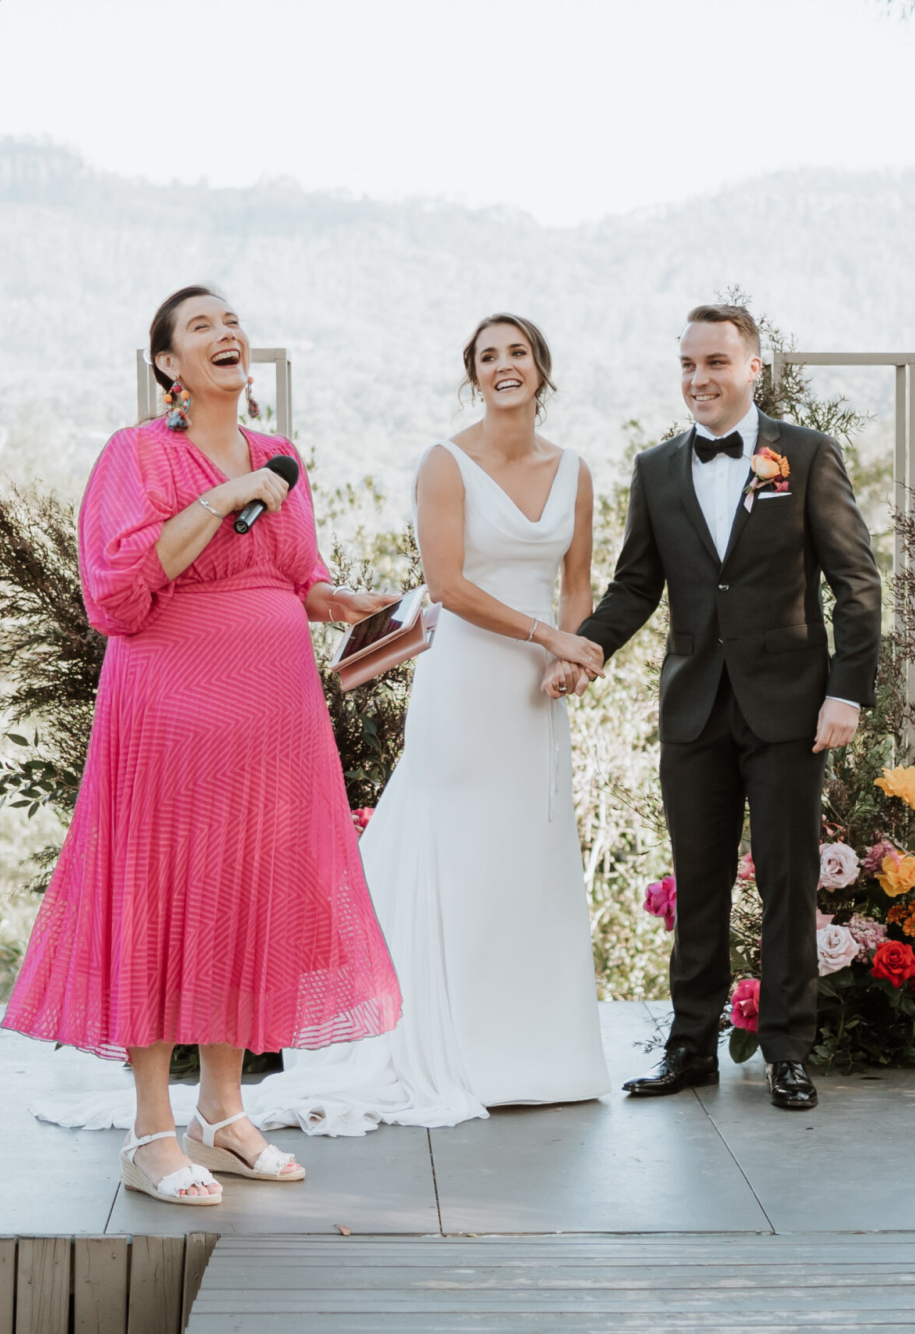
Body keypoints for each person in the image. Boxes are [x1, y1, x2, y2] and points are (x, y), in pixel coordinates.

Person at [3, 285, 403, 1203]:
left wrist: (332, 601)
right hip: (169, 711)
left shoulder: (280, 457)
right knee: (160, 896)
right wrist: (225, 496)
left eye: (232, 322)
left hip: (276, 716)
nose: (227, 334)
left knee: (246, 893)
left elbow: (294, 572)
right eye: (201, 327)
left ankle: (221, 1115)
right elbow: (116, 590)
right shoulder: (137, 455)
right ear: (168, 367)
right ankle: (151, 1133)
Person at [236, 311, 612, 1135]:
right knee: (458, 845)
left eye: (517, 353)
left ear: (542, 370)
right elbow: (447, 587)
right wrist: (545, 632)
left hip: (537, 692)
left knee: (528, 849)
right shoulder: (446, 464)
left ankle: (536, 1052)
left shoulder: (576, 471)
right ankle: (436, 1043)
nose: (503, 366)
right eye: (488, 357)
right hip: (467, 678)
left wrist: (570, 655)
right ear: (472, 375)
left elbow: (577, 582)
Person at [552, 303, 881, 1112]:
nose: (700, 379)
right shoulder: (657, 469)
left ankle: (787, 1053)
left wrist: (846, 691)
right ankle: (689, 1048)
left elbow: (857, 585)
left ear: (753, 369)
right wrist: (586, 646)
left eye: (716, 364)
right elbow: (636, 584)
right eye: (689, 366)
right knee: (697, 885)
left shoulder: (806, 455)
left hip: (791, 712)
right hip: (694, 711)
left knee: (787, 882)